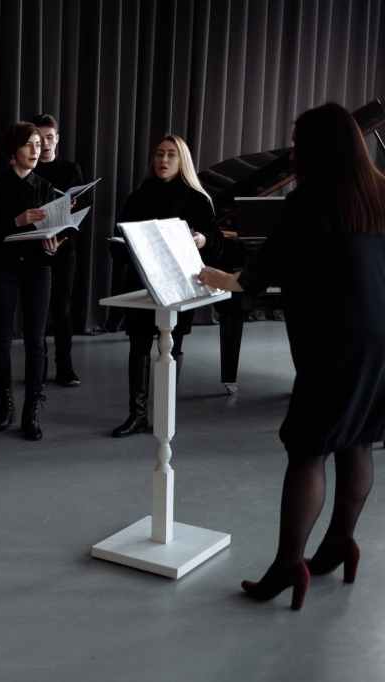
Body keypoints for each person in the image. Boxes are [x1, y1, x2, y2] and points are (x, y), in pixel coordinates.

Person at [199, 102, 385, 611]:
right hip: (380, 338)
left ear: (318, 149)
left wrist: (223, 278)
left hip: (335, 343)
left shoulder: (310, 200)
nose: (294, 152)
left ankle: (288, 565)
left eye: (300, 143)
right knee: (359, 440)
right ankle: (340, 543)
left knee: (308, 450)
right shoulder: (380, 192)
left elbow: (260, 273)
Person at [110, 135, 218, 438]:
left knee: (172, 346)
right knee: (138, 345)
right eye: (159, 154)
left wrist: (203, 240)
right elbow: (118, 242)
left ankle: (164, 414)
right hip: (142, 282)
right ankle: (137, 415)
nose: (164, 160)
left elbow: (216, 241)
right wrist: (121, 246)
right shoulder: (139, 196)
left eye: (171, 154)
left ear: (182, 160)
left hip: (178, 284)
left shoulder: (197, 199)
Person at [0, 122, 61, 441]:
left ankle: (31, 410)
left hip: (38, 269)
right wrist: (17, 220)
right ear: (13, 153)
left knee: (36, 341)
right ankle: (6, 403)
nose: (37, 150)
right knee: (1, 338)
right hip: (3, 270)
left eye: (39, 144)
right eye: (29, 144)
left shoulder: (46, 188)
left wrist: (53, 245)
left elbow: (54, 234)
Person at [31, 113, 86, 387]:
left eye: (50, 138)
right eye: (40, 139)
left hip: (64, 247)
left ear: (57, 139)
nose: (45, 144)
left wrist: (60, 241)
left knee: (62, 308)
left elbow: (80, 209)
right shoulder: (29, 169)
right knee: (37, 310)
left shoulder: (70, 169)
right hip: (35, 247)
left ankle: (65, 367)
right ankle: (37, 368)